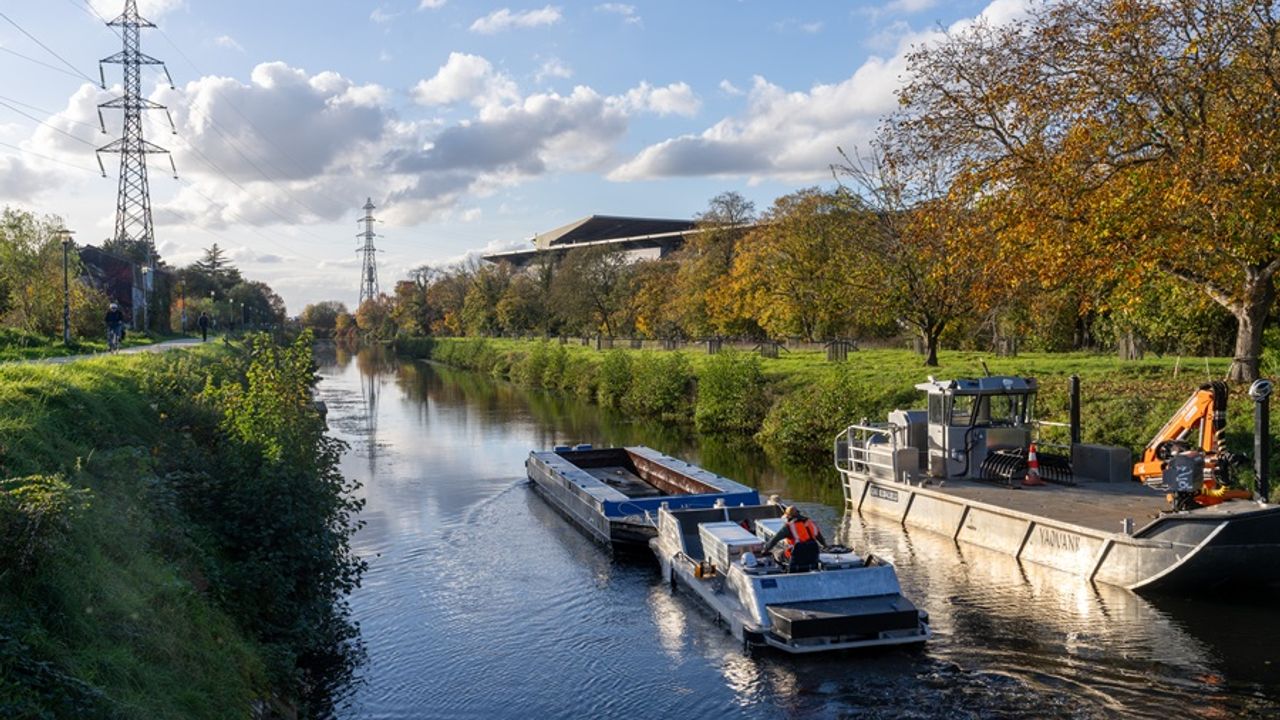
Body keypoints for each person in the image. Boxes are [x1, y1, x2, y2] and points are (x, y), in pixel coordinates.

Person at [762, 505, 827, 570]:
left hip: (796, 557)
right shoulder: (810, 522)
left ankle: (783, 569)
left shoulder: (789, 526)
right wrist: (825, 546)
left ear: (788, 516)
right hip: (813, 557)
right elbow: (820, 538)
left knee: (776, 552)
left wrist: (765, 550)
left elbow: (774, 540)